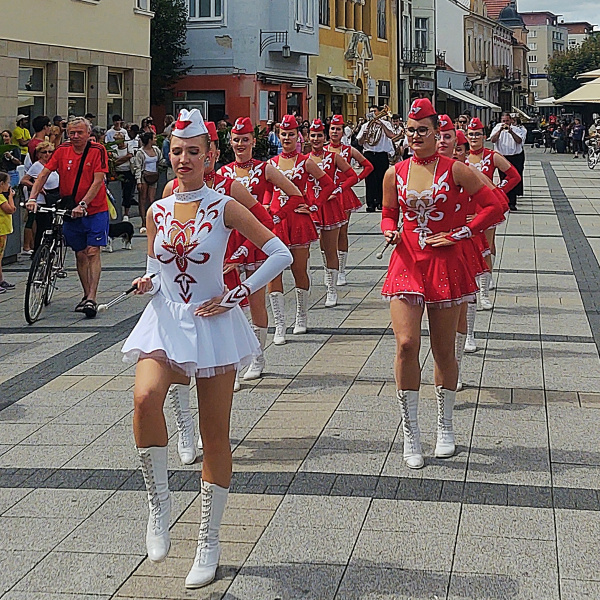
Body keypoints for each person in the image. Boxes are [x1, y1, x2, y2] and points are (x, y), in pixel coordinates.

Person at [121, 108, 292, 589]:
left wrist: (238, 293)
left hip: (211, 323)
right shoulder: (156, 209)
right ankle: (159, 506)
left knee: (215, 434)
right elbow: (157, 267)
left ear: (209, 155)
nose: (182, 159)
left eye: (192, 151)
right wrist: (146, 282)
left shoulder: (222, 205)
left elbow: (277, 250)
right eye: (176, 151)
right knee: (143, 398)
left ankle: (208, 540)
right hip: (165, 320)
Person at [381, 98, 503, 469]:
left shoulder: (456, 170)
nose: (416, 136)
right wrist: (388, 231)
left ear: (438, 134)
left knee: (444, 349)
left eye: (424, 130)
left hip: (445, 263)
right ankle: (411, 432)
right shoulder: (395, 172)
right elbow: (388, 213)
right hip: (406, 261)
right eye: (411, 130)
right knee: (405, 344)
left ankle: (445, 426)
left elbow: (495, 206)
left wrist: (461, 232)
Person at [220, 116, 307, 378]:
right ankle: (236, 359)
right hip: (230, 241)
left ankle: (258, 357)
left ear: (253, 141)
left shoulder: (265, 168)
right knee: (232, 300)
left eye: (245, 139)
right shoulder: (223, 173)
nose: (240, 144)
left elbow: (295, 194)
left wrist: (276, 217)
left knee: (256, 299)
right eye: (236, 140)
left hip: (257, 240)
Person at [27, 117, 110, 319]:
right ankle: (85, 293)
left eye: (79, 133)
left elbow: (98, 181)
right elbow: (43, 174)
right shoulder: (62, 150)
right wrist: (32, 198)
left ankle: (92, 296)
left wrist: (84, 204)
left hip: (95, 209)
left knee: (92, 251)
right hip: (70, 208)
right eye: (71, 133)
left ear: (88, 133)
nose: (74, 137)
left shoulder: (97, 150)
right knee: (80, 253)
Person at [267, 114, 335, 342]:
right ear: (278, 136)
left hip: (297, 220)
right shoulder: (271, 164)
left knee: (298, 269)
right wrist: (266, 207)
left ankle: (301, 315)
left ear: (299, 136)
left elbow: (328, 184)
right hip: (276, 221)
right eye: (283, 134)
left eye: (291, 134)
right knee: (273, 273)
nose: (287, 137)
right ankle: (279, 324)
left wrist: (314, 206)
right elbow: (268, 191)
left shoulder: (305, 162)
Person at [467, 117, 519, 310]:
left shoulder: (491, 156)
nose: (474, 137)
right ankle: (472, 286)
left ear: (484, 136)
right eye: (471, 134)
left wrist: (498, 191)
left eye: (477, 134)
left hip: (485, 209)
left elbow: (514, 176)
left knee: (486, 247)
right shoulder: (460, 157)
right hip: (465, 209)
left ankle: (484, 292)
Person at [307, 118, 358, 306]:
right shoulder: (305, 159)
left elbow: (352, 175)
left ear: (324, 136)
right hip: (311, 207)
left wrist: (338, 190)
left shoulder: (333, 157)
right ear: (308, 137)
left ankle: (332, 289)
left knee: (330, 247)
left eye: (319, 135)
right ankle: (310, 281)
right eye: (313, 135)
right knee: (308, 248)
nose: (316, 139)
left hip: (330, 206)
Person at [326, 115, 373, 286]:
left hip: (343, 194)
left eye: (338, 129)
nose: (335, 132)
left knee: (341, 233)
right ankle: (329, 270)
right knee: (326, 235)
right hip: (325, 195)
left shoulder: (348, 150)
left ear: (342, 131)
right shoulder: (323, 151)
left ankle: (341, 271)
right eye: (332, 128)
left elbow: (368, 166)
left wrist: (356, 179)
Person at [20, 142, 61, 251]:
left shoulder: (53, 165)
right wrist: (37, 187)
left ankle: (50, 249)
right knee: (42, 227)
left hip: (53, 197)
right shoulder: (37, 166)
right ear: (39, 154)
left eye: (50, 152)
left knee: (52, 226)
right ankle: (38, 250)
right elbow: (24, 180)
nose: (47, 154)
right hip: (42, 200)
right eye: (44, 152)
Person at [356, 107, 396, 211]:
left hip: (381, 154)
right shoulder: (366, 125)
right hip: (369, 154)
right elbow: (360, 143)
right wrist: (364, 136)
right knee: (369, 180)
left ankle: (380, 202)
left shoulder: (386, 124)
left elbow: (391, 135)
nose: (373, 113)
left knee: (382, 179)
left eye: (374, 111)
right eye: (371, 111)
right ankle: (370, 204)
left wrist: (382, 125)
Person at [489, 112, 526, 211]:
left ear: (511, 121)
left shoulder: (516, 129)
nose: (505, 123)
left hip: (515, 156)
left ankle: (512, 202)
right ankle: (504, 200)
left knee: (514, 179)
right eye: (503, 121)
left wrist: (511, 132)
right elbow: (492, 140)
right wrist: (500, 130)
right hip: (502, 157)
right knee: (503, 179)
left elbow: (519, 141)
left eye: (507, 121)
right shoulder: (497, 128)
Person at [131, 131, 163, 234]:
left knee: (152, 199)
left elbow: (161, 160)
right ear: (149, 140)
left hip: (154, 176)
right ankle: (144, 221)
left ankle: (152, 219)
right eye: (154, 138)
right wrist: (138, 181)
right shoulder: (140, 152)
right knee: (143, 199)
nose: (155, 140)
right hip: (144, 175)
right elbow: (138, 167)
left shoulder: (156, 150)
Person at [111, 132, 137, 220]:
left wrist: (117, 162)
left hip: (128, 171)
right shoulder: (114, 149)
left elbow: (129, 155)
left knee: (128, 193)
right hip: (118, 172)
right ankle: (118, 211)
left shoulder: (129, 146)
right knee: (118, 192)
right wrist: (120, 161)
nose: (117, 142)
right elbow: (112, 162)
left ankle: (126, 213)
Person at [0, 172, 17, 293]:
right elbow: (11, 209)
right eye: (7, 183)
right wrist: (10, 196)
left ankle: (1, 280)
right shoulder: (1, 198)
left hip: (3, 231)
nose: (9, 185)